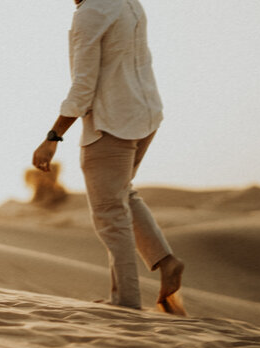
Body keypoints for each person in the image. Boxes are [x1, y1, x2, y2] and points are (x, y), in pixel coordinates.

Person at [32, 0, 185, 313]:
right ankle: (166, 262)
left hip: (112, 122)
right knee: (122, 194)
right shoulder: (129, 3)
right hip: (145, 115)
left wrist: (53, 137)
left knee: (108, 214)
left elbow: (83, 85)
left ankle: (125, 300)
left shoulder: (91, 12)